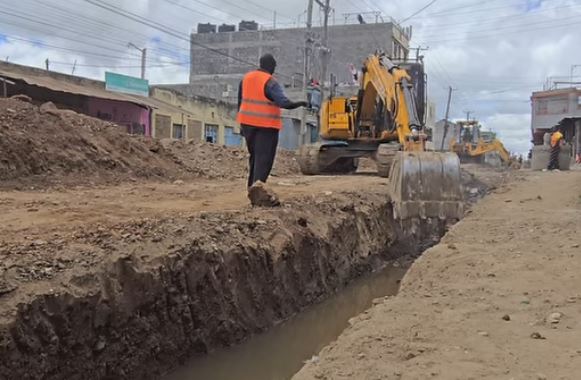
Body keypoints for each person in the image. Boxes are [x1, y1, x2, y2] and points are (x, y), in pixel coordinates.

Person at [237, 54, 308, 189]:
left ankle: (251, 187)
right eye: (274, 66)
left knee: (255, 157)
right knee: (264, 159)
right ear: (270, 66)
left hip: (247, 124)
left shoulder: (246, 79)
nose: (275, 69)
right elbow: (283, 102)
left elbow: (240, 102)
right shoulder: (270, 81)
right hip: (266, 126)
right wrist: (301, 103)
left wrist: (241, 124)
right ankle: (257, 190)